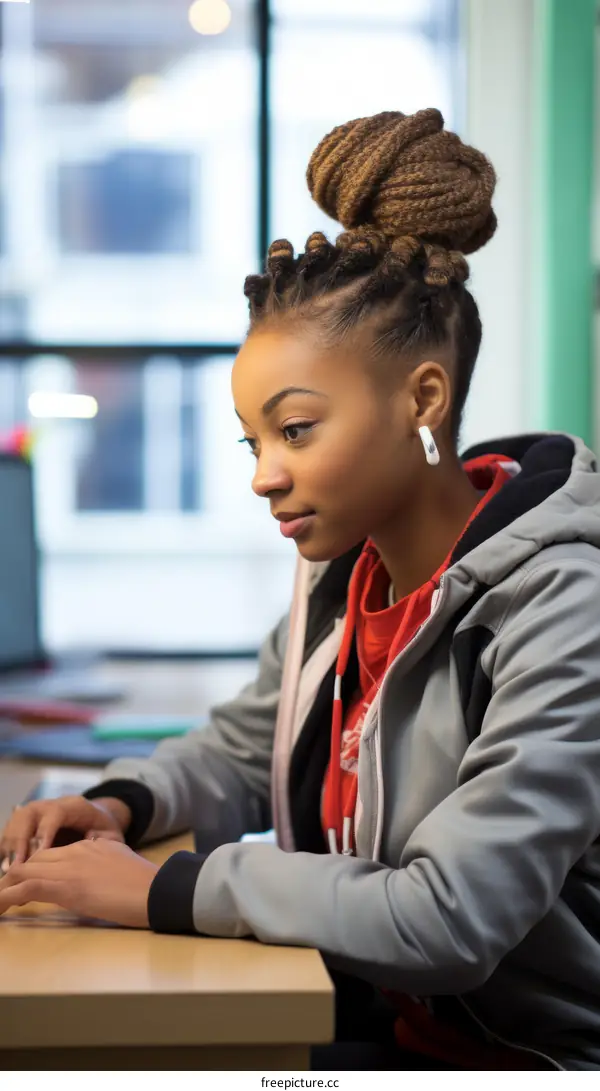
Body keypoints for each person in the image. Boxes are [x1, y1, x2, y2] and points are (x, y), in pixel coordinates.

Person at [1, 108, 600, 1072]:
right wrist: (121, 804)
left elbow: (451, 917)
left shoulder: (563, 607)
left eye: (297, 429)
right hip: (375, 1018)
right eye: (254, 440)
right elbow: (250, 743)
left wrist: (165, 890)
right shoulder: (342, 570)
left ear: (423, 400)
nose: (263, 475)